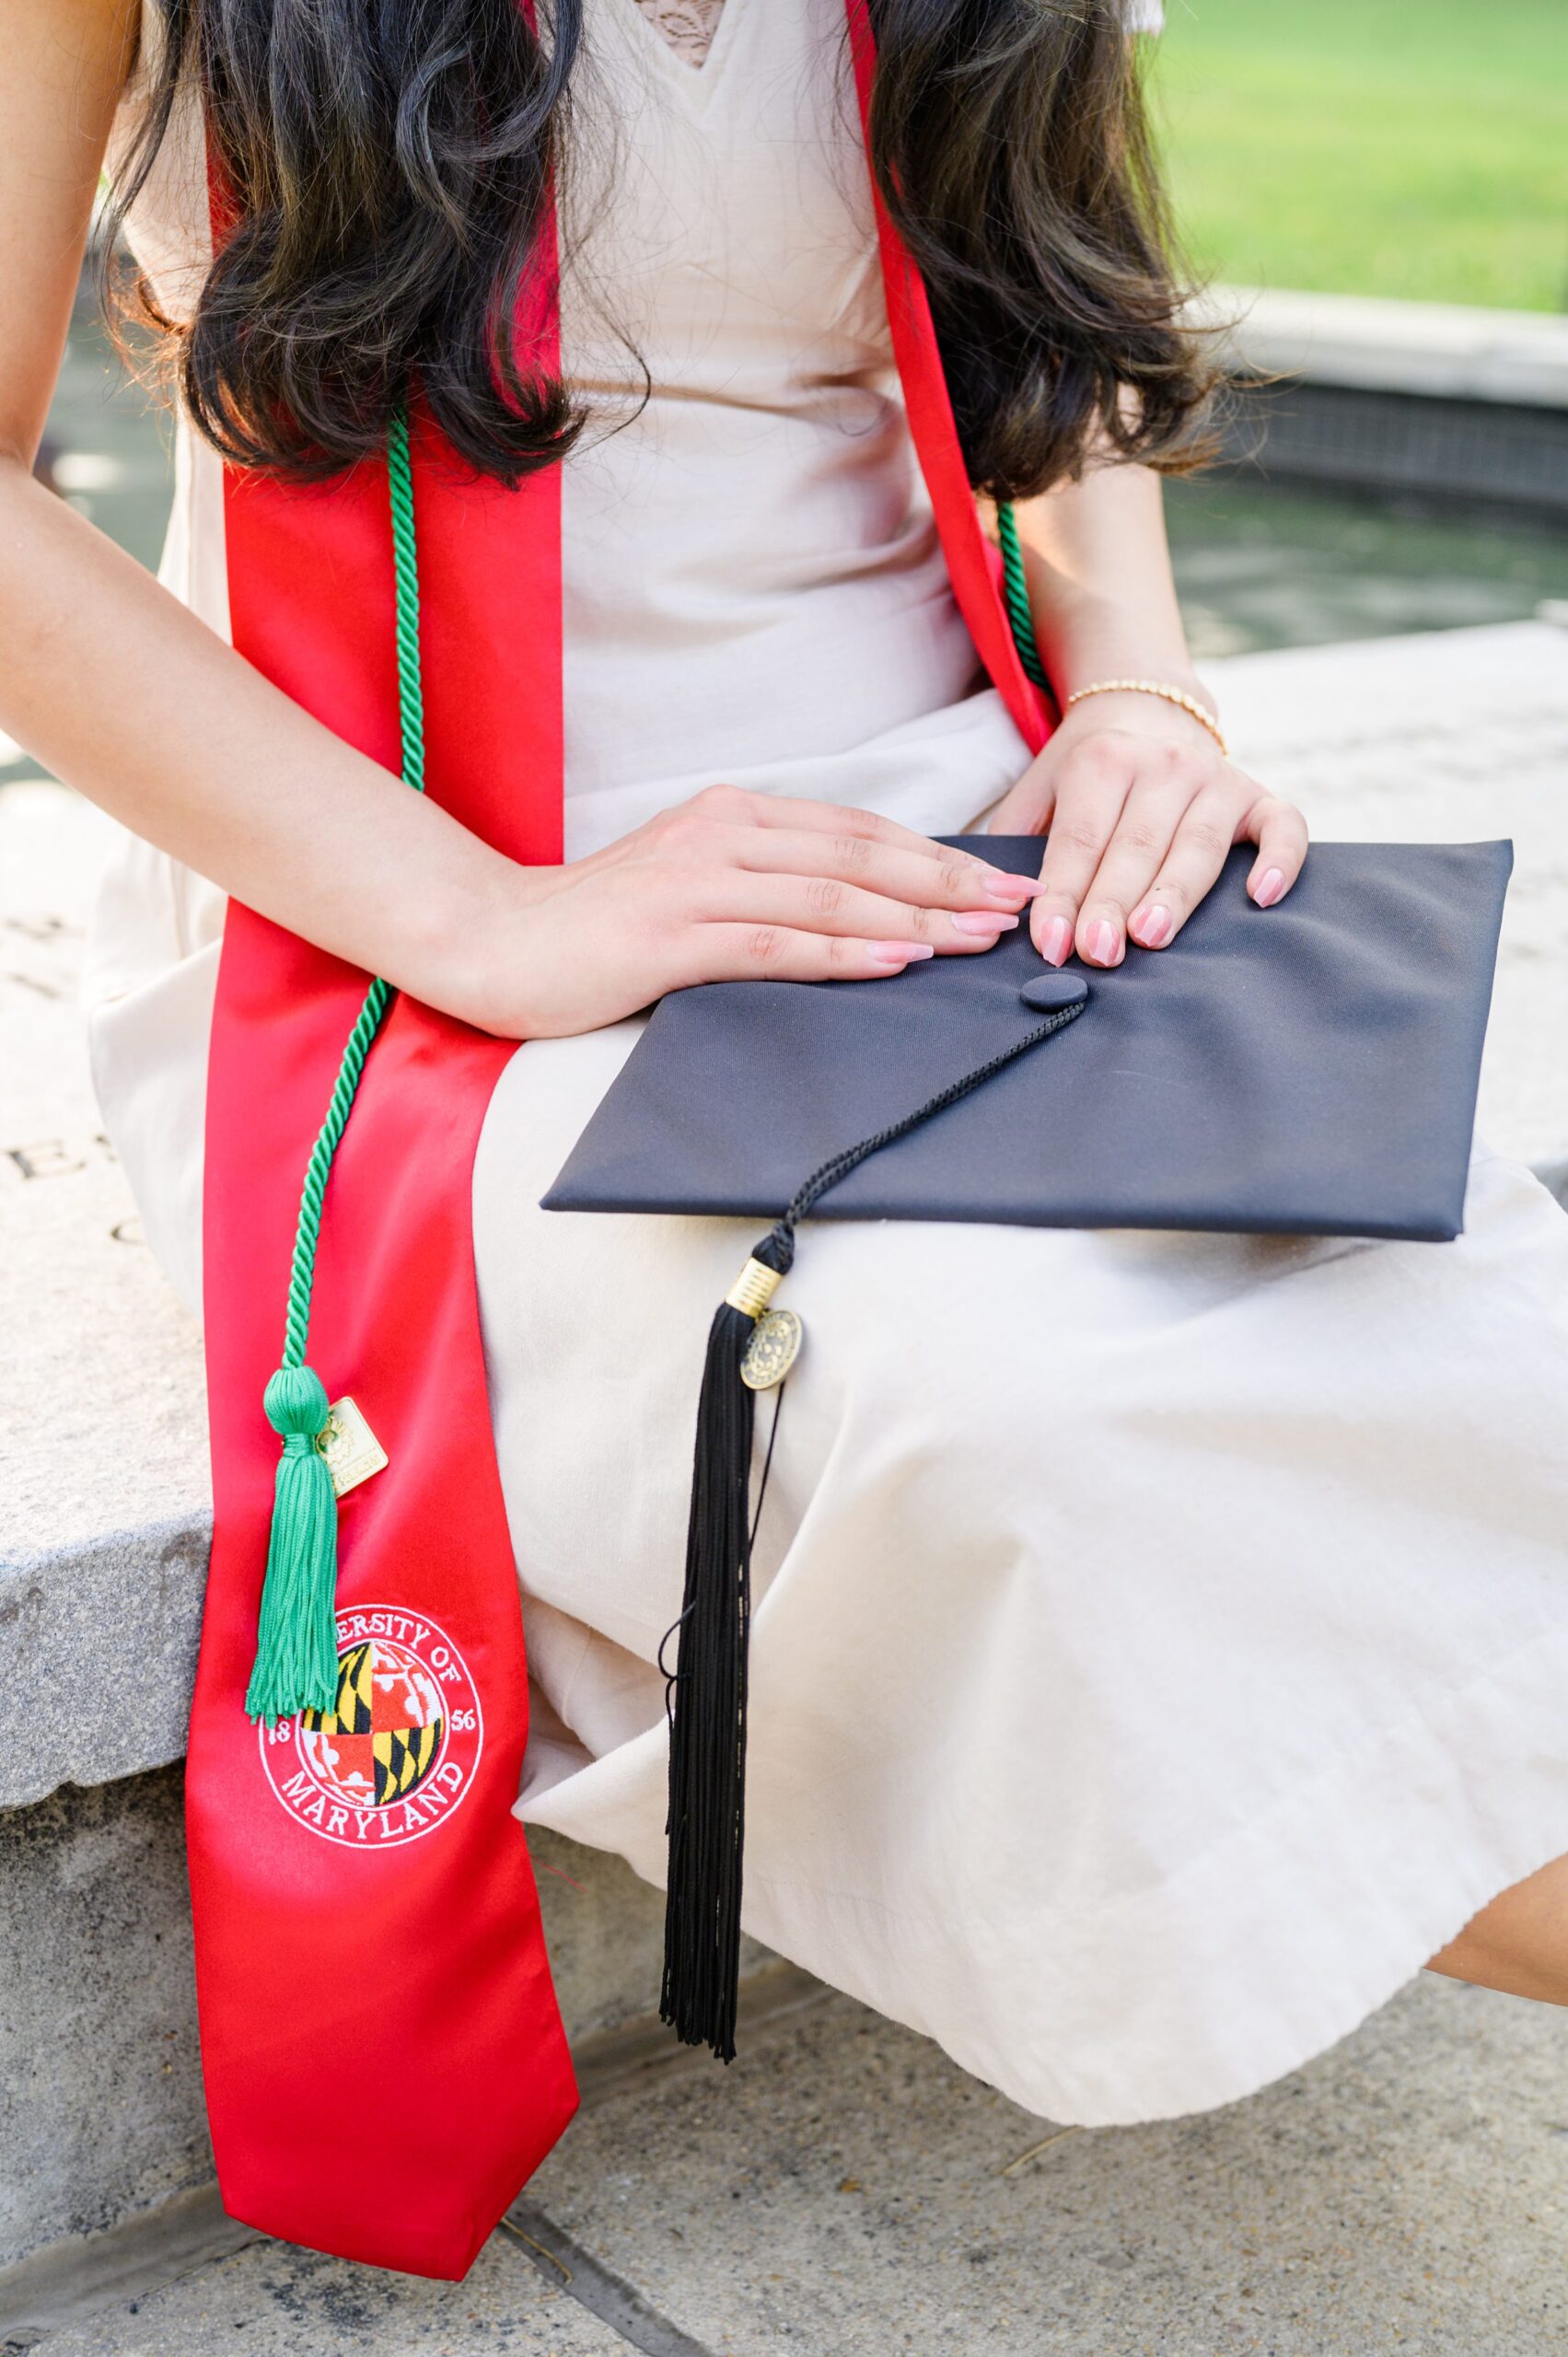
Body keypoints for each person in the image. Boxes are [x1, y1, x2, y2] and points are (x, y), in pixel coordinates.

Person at [6, 0, 1568, 2148]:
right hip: (428, 920)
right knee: (1026, 1434)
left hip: (956, 837)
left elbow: (1050, 296)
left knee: (1455, 1319)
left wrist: (1142, 702)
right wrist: (492, 921)